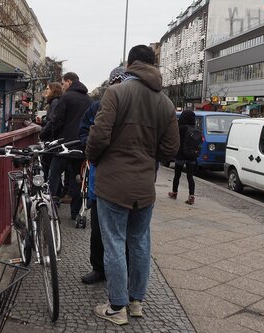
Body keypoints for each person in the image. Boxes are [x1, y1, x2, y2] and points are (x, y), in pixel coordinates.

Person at [86, 45, 179, 325]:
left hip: (113, 184)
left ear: (131, 63)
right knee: (139, 242)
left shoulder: (115, 93)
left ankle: (117, 306)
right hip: (144, 186)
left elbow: (99, 136)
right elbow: (170, 149)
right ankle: (136, 302)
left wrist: (95, 159)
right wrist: (149, 156)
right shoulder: (166, 103)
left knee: (114, 242)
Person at [79, 66, 128, 285]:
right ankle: (99, 268)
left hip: (126, 181)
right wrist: (91, 148)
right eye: (116, 83)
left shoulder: (134, 108)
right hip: (101, 179)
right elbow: (83, 134)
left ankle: (120, 273)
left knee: (124, 234)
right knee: (98, 230)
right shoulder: (97, 107)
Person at [41, 72, 92, 221]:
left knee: (54, 174)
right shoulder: (88, 100)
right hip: (79, 146)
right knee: (77, 180)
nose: (62, 87)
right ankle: (75, 213)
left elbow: (57, 121)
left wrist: (50, 136)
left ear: (69, 82)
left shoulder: (66, 97)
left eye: (63, 83)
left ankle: (51, 207)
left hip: (63, 145)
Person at [170, 109, 197, 204]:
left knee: (177, 175)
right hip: (192, 155)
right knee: (190, 176)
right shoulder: (195, 129)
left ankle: (174, 192)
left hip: (181, 154)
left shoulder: (180, 128)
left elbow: (175, 140)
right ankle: (191, 196)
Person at [39, 82, 63, 181]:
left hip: (51, 140)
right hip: (52, 139)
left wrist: (42, 133)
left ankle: (51, 191)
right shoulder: (56, 102)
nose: (46, 91)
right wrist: (43, 122)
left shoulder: (54, 102)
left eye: (48, 89)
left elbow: (52, 121)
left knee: (47, 166)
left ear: (54, 91)